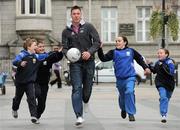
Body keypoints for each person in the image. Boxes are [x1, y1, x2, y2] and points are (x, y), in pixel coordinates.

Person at [62, 5, 101, 126]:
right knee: (76, 88)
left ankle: (86, 101)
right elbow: (64, 48)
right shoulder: (66, 31)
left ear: (81, 14)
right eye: (74, 13)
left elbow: (97, 42)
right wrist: (68, 55)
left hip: (89, 62)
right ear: (71, 15)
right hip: (75, 64)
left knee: (87, 89)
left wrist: (89, 52)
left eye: (78, 13)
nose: (76, 15)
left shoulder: (88, 27)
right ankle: (79, 115)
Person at [98, 36, 151, 122]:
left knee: (129, 92)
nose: (117, 42)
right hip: (120, 79)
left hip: (130, 77)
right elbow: (103, 59)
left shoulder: (131, 51)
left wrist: (146, 68)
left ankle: (131, 113)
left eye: (119, 41)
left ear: (125, 42)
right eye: (116, 41)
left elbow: (140, 59)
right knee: (123, 96)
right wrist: (100, 48)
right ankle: (123, 108)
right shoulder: (113, 52)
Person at [12, 38, 48, 124]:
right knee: (17, 99)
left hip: (30, 82)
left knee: (31, 98)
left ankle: (34, 116)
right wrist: (20, 63)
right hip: (20, 82)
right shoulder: (22, 54)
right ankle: (14, 109)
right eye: (35, 45)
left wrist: (55, 53)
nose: (37, 47)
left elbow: (45, 56)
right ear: (29, 47)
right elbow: (15, 61)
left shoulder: (36, 56)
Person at [35, 41, 63, 123]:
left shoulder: (48, 56)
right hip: (34, 83)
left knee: (42, 104)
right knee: (33, 97)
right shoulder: (33, 57)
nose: (42, 48)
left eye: (43, 46)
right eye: (40, 46)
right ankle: (33, 112)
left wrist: (60, 53)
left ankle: (37, 115)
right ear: (35, 48)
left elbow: (56, 57)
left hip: (44, 84)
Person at [148, 48, 175, 123]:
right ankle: (163, 115)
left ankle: (162, 100)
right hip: (160, 83)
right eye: (158, 53)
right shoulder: (157, 62)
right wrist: (149, 65)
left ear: (166, 54)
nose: (159, 54)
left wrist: (163, 65)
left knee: (166, 99)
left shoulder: (170, 62)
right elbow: (154, 71)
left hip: (170, 84)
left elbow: (171, 72)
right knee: (164, 97)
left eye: (161, 53)